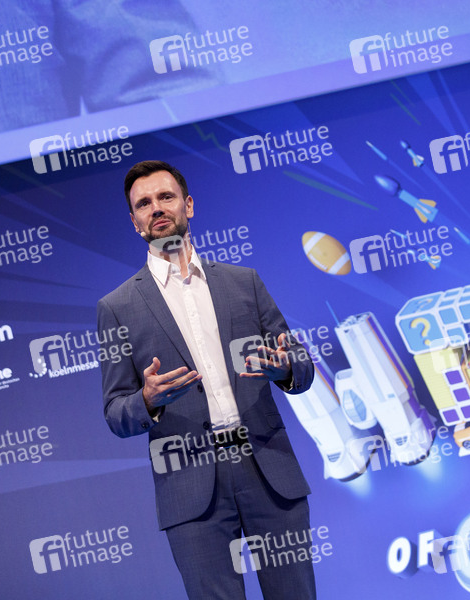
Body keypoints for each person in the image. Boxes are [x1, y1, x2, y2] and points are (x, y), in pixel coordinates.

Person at [98, 160, 316, 599]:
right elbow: (116, 412)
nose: (157, 208)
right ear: (135, 222)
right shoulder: (117, 308)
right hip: (189, 486)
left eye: (166, 197)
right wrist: (146, 399)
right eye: (144, 203)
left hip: (267, 468)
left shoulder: (243, 282)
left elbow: (300, 364)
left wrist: (287, 368)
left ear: (189, 205)